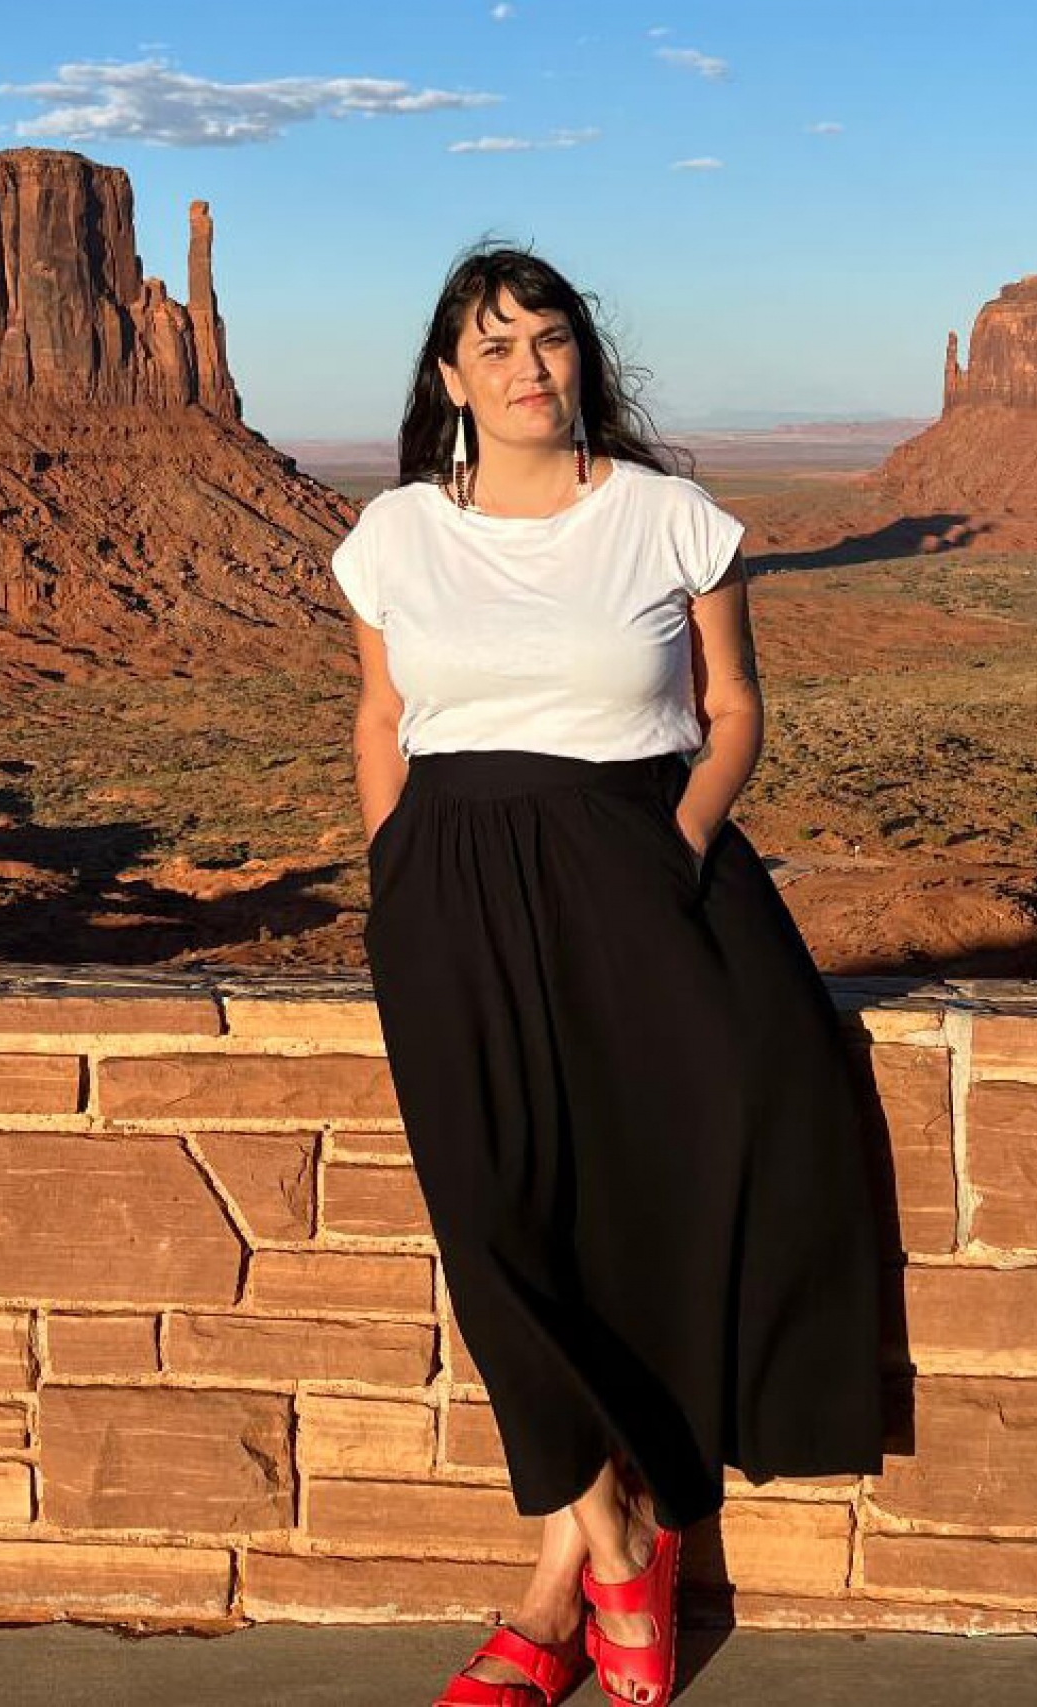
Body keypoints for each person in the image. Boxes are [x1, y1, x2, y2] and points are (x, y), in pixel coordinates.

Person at [328, 246, 886, 1707]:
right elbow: (383, 720)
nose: (529, 369)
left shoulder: (670, 520)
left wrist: (679, 846)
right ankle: (617, 1530)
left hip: (638, 873)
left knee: (648, 1209)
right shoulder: (392, 535)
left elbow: (734, 710)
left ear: (586, 361)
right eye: (495, 347)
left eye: (552, 341)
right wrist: (394, 878)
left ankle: (564, 1583)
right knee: (494, 1228)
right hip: (449, 892)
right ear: (449, 381)